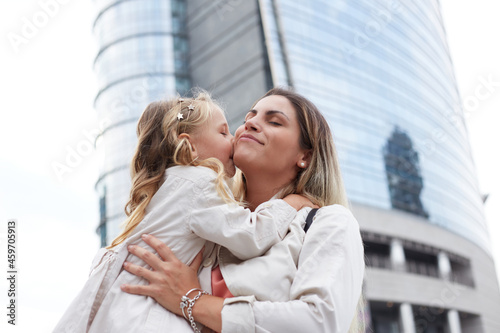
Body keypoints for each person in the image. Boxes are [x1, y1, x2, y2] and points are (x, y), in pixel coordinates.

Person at [53, 91, 315, 333]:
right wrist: (289, 205)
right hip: (149, 316)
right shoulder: (200, 183)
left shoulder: (174, 184)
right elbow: (251, 238)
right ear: (189, 145)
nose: (234, 137)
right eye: (223, 133)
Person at [121, 88, 366, 333]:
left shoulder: (329, 222)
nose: (250, 124)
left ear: (305, 156)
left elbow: (319, 323)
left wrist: (193, 300)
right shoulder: (205, 228)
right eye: (248, 118)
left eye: (274, 121)